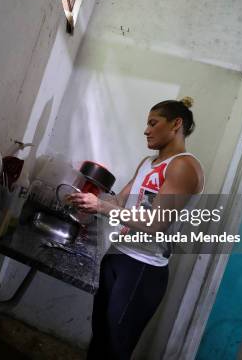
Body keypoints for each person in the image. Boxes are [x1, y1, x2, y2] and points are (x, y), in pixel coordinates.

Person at [67, 97, 205, 360]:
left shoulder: (184, 167)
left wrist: (101, 207)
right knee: (100, 339)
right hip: (118, 255)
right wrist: (86, 199)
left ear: (176, 124)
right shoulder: (147, 163)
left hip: (143, 267)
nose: (146, 130)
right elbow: (119, 202)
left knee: (115, 348)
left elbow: (156, 223)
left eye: (153, 123)